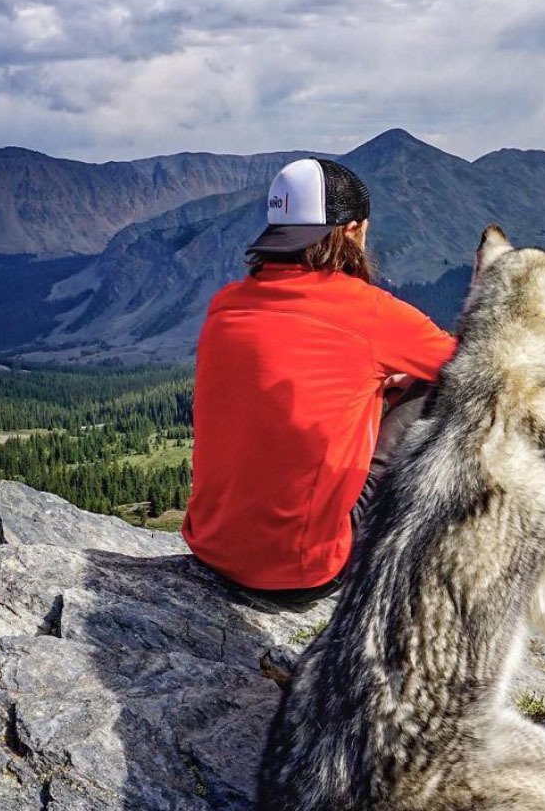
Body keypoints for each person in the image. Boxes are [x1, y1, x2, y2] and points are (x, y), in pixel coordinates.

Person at [182, 157, 456, 605]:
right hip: (304, 573)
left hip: (212, 549)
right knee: (443, 385)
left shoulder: (227, 303)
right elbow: (475, 362)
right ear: (352, 231)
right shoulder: (370, 311)